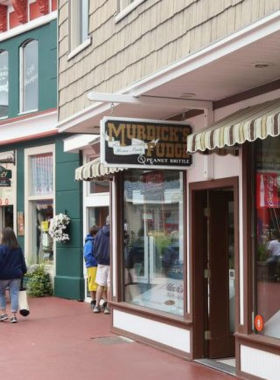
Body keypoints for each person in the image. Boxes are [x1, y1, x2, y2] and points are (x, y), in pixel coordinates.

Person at [0, 227, 27, 323]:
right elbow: (22, 261)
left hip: (2, 276)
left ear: (4, 236)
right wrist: (24, 271)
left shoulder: (1, 248)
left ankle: (3, 314)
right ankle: (13, 316)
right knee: (14, 294)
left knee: (1, 294)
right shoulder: (18, 248)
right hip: (16, 275)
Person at [93, 215, 111, 314]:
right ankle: (108, 306)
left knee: (100, 284)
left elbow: (95, 247)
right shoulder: (115, 231)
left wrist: (97, 258)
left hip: (101, 262)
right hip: (112, 262)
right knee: (109, 285)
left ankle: (96, 305)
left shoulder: (99, 232)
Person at [83, 225, 99, 309]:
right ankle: (93, 300)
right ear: (94, 234)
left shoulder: (95, 241)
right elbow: (87, 256)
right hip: (92, 266)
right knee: (92, 284)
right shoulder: (89, 243)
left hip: (96, 265)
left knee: (98, 284)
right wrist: (97, 262)